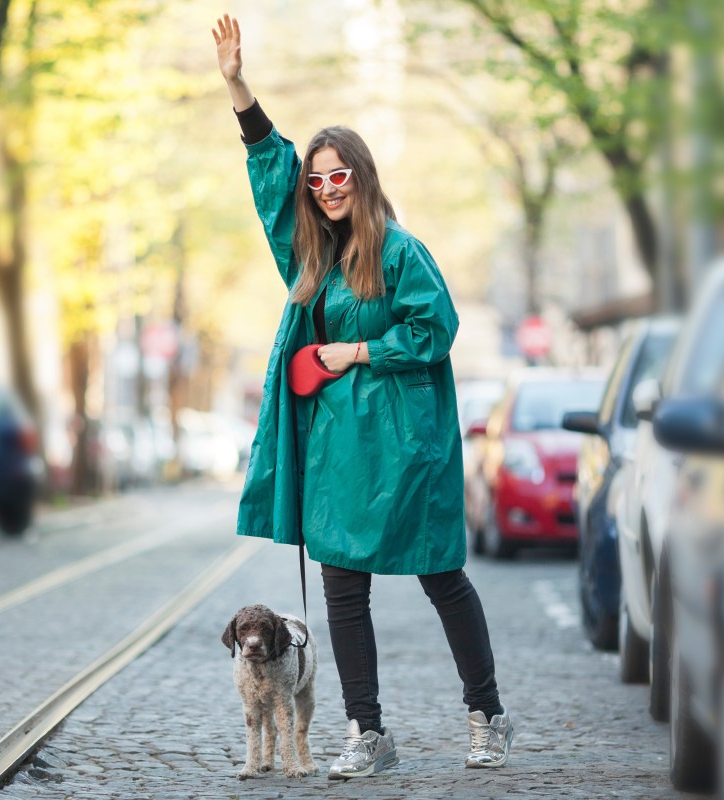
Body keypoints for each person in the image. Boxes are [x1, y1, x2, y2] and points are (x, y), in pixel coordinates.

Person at [211, 14, 513, 780]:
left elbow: (435, 328)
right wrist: (238, 86)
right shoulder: (307, 251)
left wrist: (358, 349)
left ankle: (487, 716)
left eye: (339, 174)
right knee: (344, 590)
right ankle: (367, 732)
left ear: (364, 177)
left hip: (405, 444)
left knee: (441, 573)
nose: (325, 188)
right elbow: (269, 172)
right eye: (317, 179)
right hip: (338, 449)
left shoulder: (401, 250)